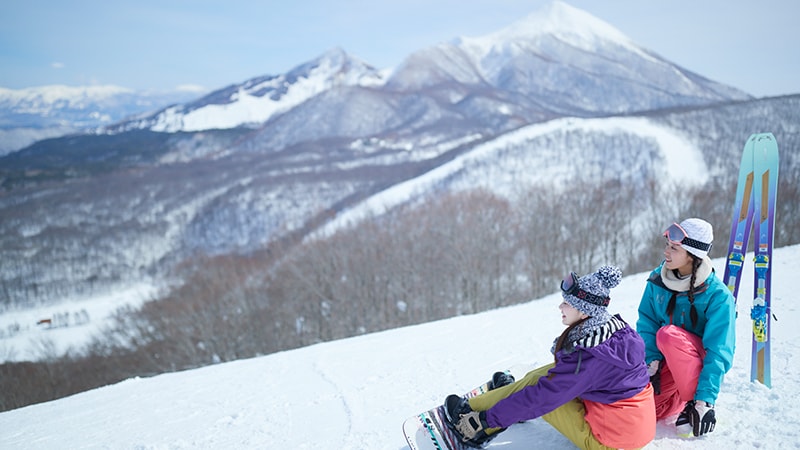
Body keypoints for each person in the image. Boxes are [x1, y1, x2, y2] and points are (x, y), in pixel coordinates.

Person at [445, 265, 656, 449]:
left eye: (567, 303)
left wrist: (487, 419)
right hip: (631, 428)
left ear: (585, 312)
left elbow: (542, 397)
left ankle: (473, 419)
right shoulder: (614, 331)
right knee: (547, 374)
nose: (560, 307)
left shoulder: (591, 356)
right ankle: (503, 398)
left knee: (541, 389)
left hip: (612, 443)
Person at [636, 218, 735, 438]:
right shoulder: (658, 280)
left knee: (668, 335)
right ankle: (675, 400)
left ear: (692, 254)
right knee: (645, 410)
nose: (666, 252)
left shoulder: (718, 296)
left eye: (674, 248)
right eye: (667, 246)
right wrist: (651, 361)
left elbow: (719, 350)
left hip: (697, 365)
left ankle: (693, 403)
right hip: (666, 362)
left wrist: (705, 399)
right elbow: (647, 322)